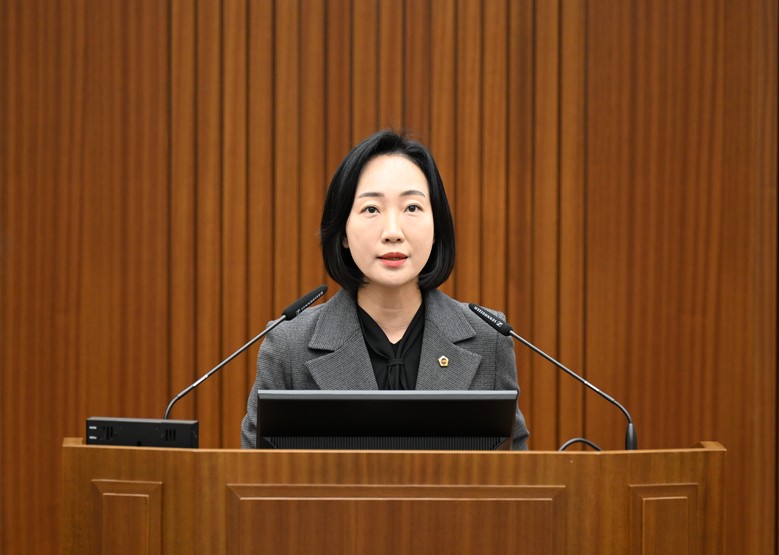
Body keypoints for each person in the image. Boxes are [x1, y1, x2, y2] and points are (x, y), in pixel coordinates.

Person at [241, 130, 529, 449]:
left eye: (412, 208)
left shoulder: (489, 340)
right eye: (371, 209)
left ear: (436, 227)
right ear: (343, 232)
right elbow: (256, 474)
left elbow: (514, 473)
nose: (393, 232)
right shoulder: (289, 346)